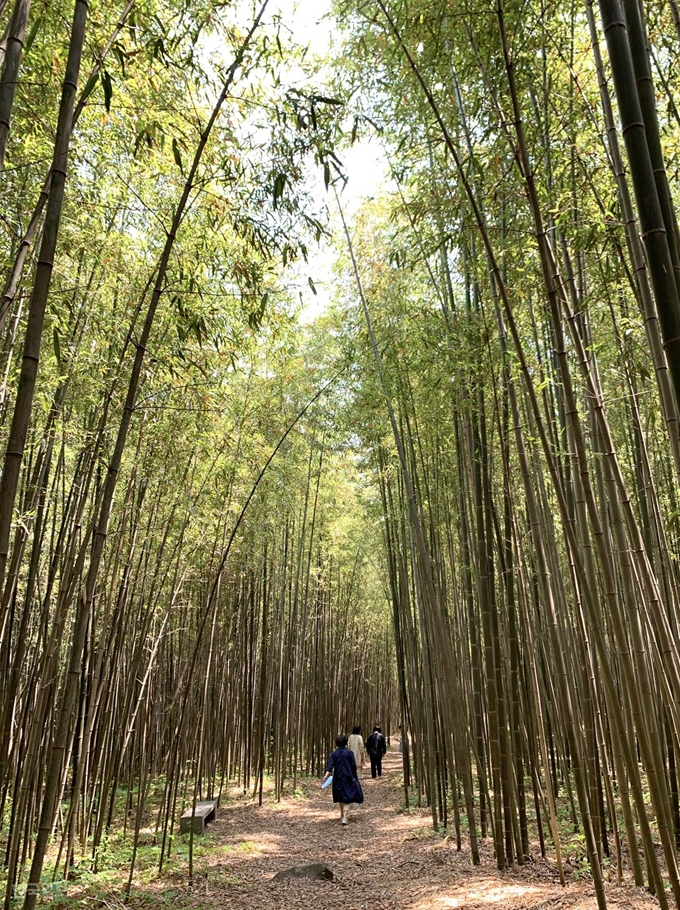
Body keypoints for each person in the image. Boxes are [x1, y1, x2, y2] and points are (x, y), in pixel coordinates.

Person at [322, 734, 364, 824]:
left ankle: (342, 815)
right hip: (348, 777)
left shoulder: (334, 753)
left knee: (341, 796)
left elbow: (330, 765)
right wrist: (354, 776)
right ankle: (344, 817)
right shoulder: (349, 753)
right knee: (347, 796)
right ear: (345, 742)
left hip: (338, 777)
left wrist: (326, 774)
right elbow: (353, 766)